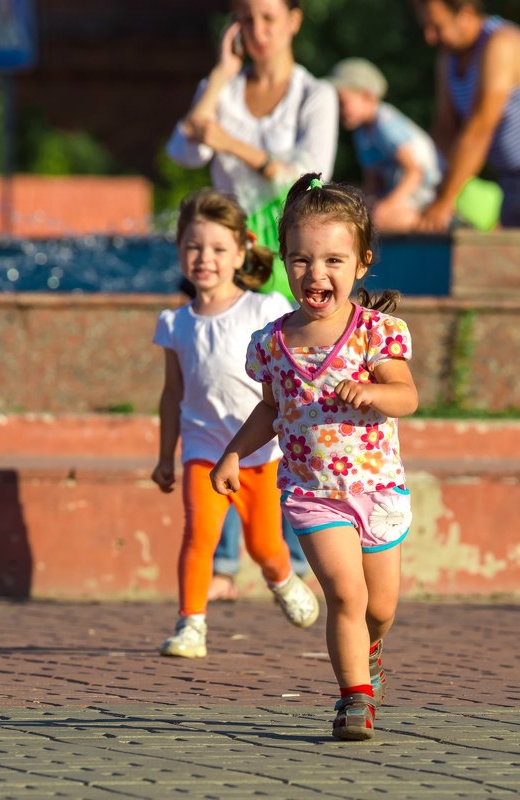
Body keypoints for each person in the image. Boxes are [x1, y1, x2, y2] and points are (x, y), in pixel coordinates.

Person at [210, 174, 418, 740]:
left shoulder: (377, 333)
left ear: (361, 263)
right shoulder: (272, 343)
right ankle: (354, 698)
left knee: (380, 608)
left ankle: (371, 649)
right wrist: (233, 454)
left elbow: (406, 395)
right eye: (300, 260)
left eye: (332, 260)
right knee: (345, 594)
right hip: (311, 492)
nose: (315, 274)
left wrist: (375, 393)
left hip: (377, 491)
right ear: (284, 260)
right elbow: (268, 412)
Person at [152, 187, 320, 659]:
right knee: (198, 535)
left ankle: (282, 578)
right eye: (193, 247)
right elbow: (172, 395)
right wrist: (166, 456)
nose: (204, 258)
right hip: (202, 450)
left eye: (218, 249)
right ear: (180, 251)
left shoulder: (263, 309)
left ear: (241, 251)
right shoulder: (174, 322)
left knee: (265, 544)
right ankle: (191, 624)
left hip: (258, 452)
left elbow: (296, 364)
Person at [166, 0, 339, 300]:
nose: (258, 32)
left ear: (293, 21)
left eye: (268, 18)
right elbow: (183, 153)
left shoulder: (315, 94)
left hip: (289, 245)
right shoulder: (221, 89)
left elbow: (311, 179)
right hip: (230, 245)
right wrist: (221, 73)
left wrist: (230, 144)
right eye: (246, 20)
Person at [414, 0, 520, 232]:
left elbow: (480, 127)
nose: (429, 37)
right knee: (517, 262)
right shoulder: (449, 58)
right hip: (512, 179)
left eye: (437, 26)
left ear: (465, 13)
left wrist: (444, 202)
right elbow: (445, 128)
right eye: (425, 27)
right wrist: (430, 187)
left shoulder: (501, 43)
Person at [326, 58, 442, 233]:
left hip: (425, 197)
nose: (339, 110)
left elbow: (414, 172)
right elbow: (373, 180)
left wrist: (388, 205)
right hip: (401, 196)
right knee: (355, 213)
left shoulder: (386, 124)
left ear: (367, 96)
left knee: (373, 221)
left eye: (343, 102)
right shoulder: (362, 133)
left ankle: (432, 224)